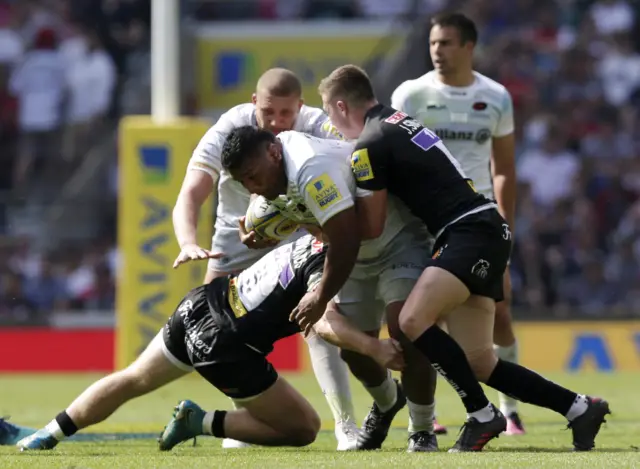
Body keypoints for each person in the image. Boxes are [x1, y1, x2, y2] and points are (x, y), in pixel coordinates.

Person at [317, 64, 611, 452]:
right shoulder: (401, 120)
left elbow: (371, 227)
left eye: (329, 114)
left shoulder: (369, 142)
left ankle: (482, 414)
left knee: (410, 320)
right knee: (478, 361)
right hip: (487, 228)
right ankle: (578, 408)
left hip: (467, 233)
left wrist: (322, 225)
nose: (332, 126)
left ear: (340, 106)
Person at [16, 235, 403, 452]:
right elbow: (323, 321)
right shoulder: (329, 260)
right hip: (227, 343)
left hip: (200, 303)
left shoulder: (310, 237)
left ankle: (47, 434)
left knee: (133, 378)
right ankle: (198, 421)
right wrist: (374, 349)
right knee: (303, 429)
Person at [171, 68, 358, 450]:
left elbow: (354, 161)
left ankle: (346, 425)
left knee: (319, 318)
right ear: (254, 103)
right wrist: (189, 241)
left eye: (285, 114)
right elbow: (192, 190)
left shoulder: (317, 125)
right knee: (220, 334)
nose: (276, 122)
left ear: (300, 108)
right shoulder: (229, 128)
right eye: (268, 112)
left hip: (299, 235)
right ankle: (251, 421)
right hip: (232, 244)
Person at [221, 127, 439, 452]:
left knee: (405, 329)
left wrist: (320, 297)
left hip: (397, 240)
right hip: (355, 254)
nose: (253, 187)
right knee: (353, 350)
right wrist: (267, 232)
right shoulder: (276, 176)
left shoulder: (309, 168)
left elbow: (346, 237)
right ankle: (387, 403)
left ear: (273, 152)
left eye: (253, 177)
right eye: (244, 182)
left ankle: (422, 430)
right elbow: (319, 225)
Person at [391, 12, 522, 435]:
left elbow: (503, 170)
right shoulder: (411, 95)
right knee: (422, 320)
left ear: (469, 47)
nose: (437, 51)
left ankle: (511, 409)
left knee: (500, 315)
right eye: (433, 44)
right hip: (422, 224)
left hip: (477, 225)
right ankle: (429, 415)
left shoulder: (496, 97)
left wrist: (508, 228)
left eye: (446, 43)